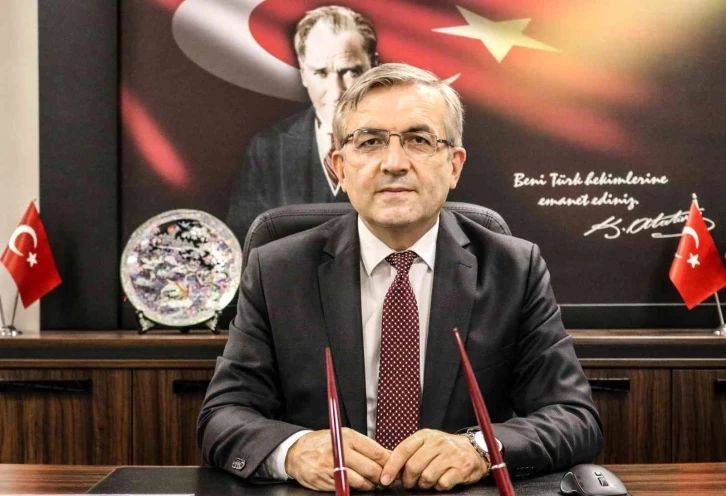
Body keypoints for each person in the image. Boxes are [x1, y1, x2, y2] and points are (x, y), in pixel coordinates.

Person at [200, 63, 602, 491]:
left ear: (454, 165)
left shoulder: (514, 269)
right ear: (339, 166)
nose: (394, 163)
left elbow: (574, 417)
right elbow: (223, 415)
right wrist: (295, 450)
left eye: (419, 140)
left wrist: (480, 448)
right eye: (370, 141)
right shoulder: (277, 270)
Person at [225, 6, 378, 242]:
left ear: (373, 68)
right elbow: (244, 242)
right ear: (304, 73)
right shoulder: (268, 148)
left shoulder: (408, 144)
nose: (336, 91)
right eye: (320, 73)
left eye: (350, 71)